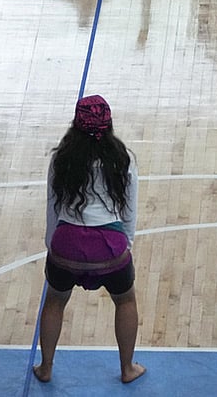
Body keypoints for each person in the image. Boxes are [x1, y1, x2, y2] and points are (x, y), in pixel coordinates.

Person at [32, 95, 144, 385]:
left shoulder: (61, 159)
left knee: (55, 301)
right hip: (110, 247)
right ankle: (127, 368)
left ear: (75, 125)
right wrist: (126, 244)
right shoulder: (123, 160)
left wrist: (52, 245)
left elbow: (53, 206)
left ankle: (45, 368)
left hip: (66, 246)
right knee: (125, 300)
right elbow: (129, 209)